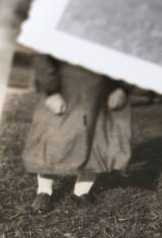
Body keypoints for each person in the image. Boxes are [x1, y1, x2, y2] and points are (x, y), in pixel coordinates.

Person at [22, 55, 131, 213]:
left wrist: (123, 88)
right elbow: (44, 57)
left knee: (98, 139)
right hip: (65, 82)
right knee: (53, 137)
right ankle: (44, 191)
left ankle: (82, 191)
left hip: (103, 86)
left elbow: (128, 60)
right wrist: (51, 91)